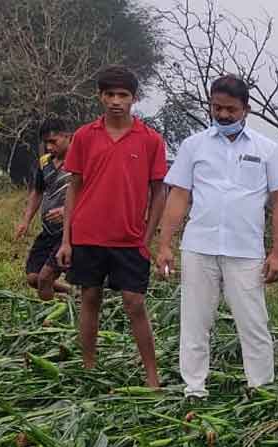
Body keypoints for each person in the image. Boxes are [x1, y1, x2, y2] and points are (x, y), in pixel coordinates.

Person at [155, 75, 278, 398]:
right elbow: (178, 196)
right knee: (195, 320)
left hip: (245, 250)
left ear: (246, 108)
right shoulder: (194, 146)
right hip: (199, 246)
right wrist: (164, 244)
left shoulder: (267, 149)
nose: (224, 115)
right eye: (217, 108)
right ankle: (194, 389)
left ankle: (261, 389)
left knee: (253, 322)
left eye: (231, 109)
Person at [56, 65, 167, 388]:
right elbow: (73, 187)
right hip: (88, 234)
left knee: (135, 304)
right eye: (110, 95)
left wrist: (147, 237)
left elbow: (159, 191)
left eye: (123, 95)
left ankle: (152, 377)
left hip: (129, 239)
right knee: (90, 298)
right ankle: (89, 369)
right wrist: (67, 239)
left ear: (134, 98)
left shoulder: (150, 140)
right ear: (100, 96)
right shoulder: (84, 136)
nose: (116, 101)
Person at [16, 118, 73, 300]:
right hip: (48, 230)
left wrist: (68, 211)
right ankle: (72, 294)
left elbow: (93, 194)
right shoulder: (44, 163)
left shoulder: (81, 162)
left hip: (71, 232)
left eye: (53, 141)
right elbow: (38, 192)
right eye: (46, 142)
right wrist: (25, 220)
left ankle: (50, 322)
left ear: (68, 137)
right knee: (33, 278)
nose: (49, 147)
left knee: (45, 278)